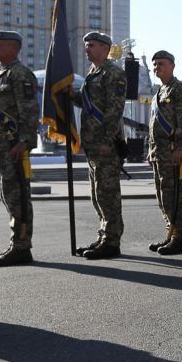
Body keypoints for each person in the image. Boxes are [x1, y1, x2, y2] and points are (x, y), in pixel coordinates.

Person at [0, 30, 40, 267]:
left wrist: (24, 141)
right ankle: (16, 242)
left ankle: (21, 246)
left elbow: (29, 111)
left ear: (12, 48)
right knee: (9, 194)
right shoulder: (0, 74)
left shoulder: (20, 74)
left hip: (14, 145)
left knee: (18, 195)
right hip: (2, 146)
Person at [77, 32, 127, 259]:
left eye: (92, 45)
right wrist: (69, 94)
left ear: (105, 48)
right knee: (97, 194)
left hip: (105, 145)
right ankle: (103, 236)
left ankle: (112, 241)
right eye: (86, 44)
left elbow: (114, 110)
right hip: (92, 144)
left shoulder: (113, 73)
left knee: (108, 195)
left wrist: (107, 140)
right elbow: (89, 104)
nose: (87, 48)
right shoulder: (92, 73)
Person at [146, 50, 182, 256]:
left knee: (173, 195)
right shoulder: (160, 92)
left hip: (172, 153)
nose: (158, 67)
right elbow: (153, 126)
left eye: (162, 64)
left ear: (172, 66)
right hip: (159, 153)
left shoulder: (179, 90)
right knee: (162, 196)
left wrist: (180, 147)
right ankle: (171, 232)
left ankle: (179, 238)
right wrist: (151, 150)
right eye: (155, 64)